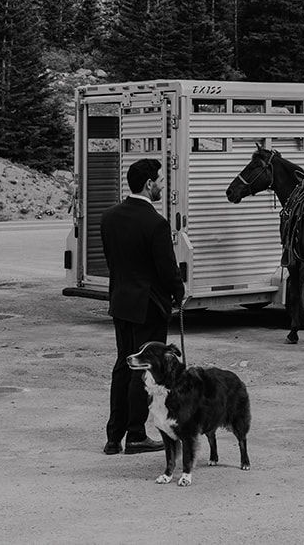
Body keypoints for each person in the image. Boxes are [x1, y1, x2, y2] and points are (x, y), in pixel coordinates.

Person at [101, 157, 185, 456]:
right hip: (149, 305)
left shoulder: (109, 217)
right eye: (160, 181)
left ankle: (114, 437)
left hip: (121, 302)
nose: (162, 185)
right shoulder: (155, 223)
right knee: (144, 370)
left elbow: (113, 261)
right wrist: (179, 291)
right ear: (149, 185)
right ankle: (136, 435)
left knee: (123, 365)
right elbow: (166, 269)